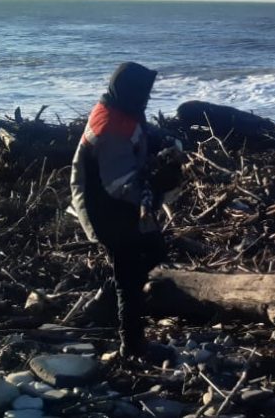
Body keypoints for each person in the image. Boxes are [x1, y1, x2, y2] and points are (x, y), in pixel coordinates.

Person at [70, 62, 179, 358]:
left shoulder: (122, 108)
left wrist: (163, 139)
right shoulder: (110, 129)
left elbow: (140, 130)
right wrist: (159, 185)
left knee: (154, 250)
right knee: (130, 274)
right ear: (132, 92)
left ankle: (105, 302)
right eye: (144, 93)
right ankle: (131, 346)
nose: (147, 99)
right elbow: (121, 185)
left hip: (116, 203)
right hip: (104, 207)